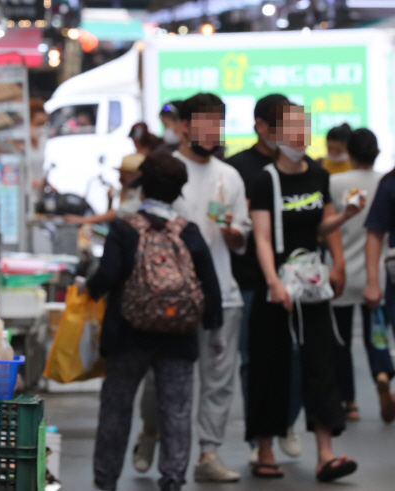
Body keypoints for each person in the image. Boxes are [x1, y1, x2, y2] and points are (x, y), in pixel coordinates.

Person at [84, 151, 223, 491]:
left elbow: (107, 274)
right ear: (178, 192)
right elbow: (209, 284)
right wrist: (214, 330)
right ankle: (173, 479)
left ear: (142, 190)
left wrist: (88, 289)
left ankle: (106, 480)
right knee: (176, 412)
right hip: (179, 336)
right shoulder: (188, 232)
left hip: (128, 335)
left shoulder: (124, 230)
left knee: (117, 408)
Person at [132, 93, 248, 483]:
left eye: (219, 124)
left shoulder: (229, 176)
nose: (212, 132)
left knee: (219, 377)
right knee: (158, 377)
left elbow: (241, 238)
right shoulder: (164, 168)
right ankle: (151, 429)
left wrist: (232, 230)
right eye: (204, 123)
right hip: (165, 296)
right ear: (183, 126)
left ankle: (208, 453)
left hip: (222, 294)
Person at [247, 102, 362, 481]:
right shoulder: (265, 180)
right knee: (269, 365)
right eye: (291, 129)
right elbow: (261, 236)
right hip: (276, 285)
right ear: (275, 135)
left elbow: (322, 224)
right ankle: (265, 449)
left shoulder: (317, 173)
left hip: (312, 283)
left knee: (320, 362)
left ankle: (325, 453)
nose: (299, 136)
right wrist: (273, 282)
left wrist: (345, 218)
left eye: (304, 128)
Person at [228, 94, 309, 463]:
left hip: (298, 279)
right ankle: (258, 435)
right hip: (249, 280)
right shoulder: (238, 168)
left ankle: (286, 421)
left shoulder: (307, 168)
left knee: (295, 354)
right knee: (253, 360)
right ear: (261, 126)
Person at [329, 128, 395, 423]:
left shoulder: (334, 182)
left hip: (341, 269)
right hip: (377, 273)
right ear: (377, 152)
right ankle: (381, 372)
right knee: (376, 333)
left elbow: (328, 224)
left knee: (341, 341)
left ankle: (350, 402)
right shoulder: (383, 181)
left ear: (349, 153)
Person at [363, 162, 395, 422]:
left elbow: (375, 234)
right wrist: (373, 281)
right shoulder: (390, 183)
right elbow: (374, 234)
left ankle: (383, 374)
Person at [64, 153, 144, 225]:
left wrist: (81, 220)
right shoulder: (127, 190)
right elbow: (111, 214)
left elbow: (116, 213)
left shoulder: (140, 198)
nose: (120, 178)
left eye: (125, 174)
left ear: (136, 176)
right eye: (121, 174)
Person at [29, 99, 48, 190]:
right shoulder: (19, 144)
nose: (40, 128)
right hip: (23, 194)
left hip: (38, 193)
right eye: (38, 124)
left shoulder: (42, 140)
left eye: (43, 124)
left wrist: (46, 183)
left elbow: (41, 169)